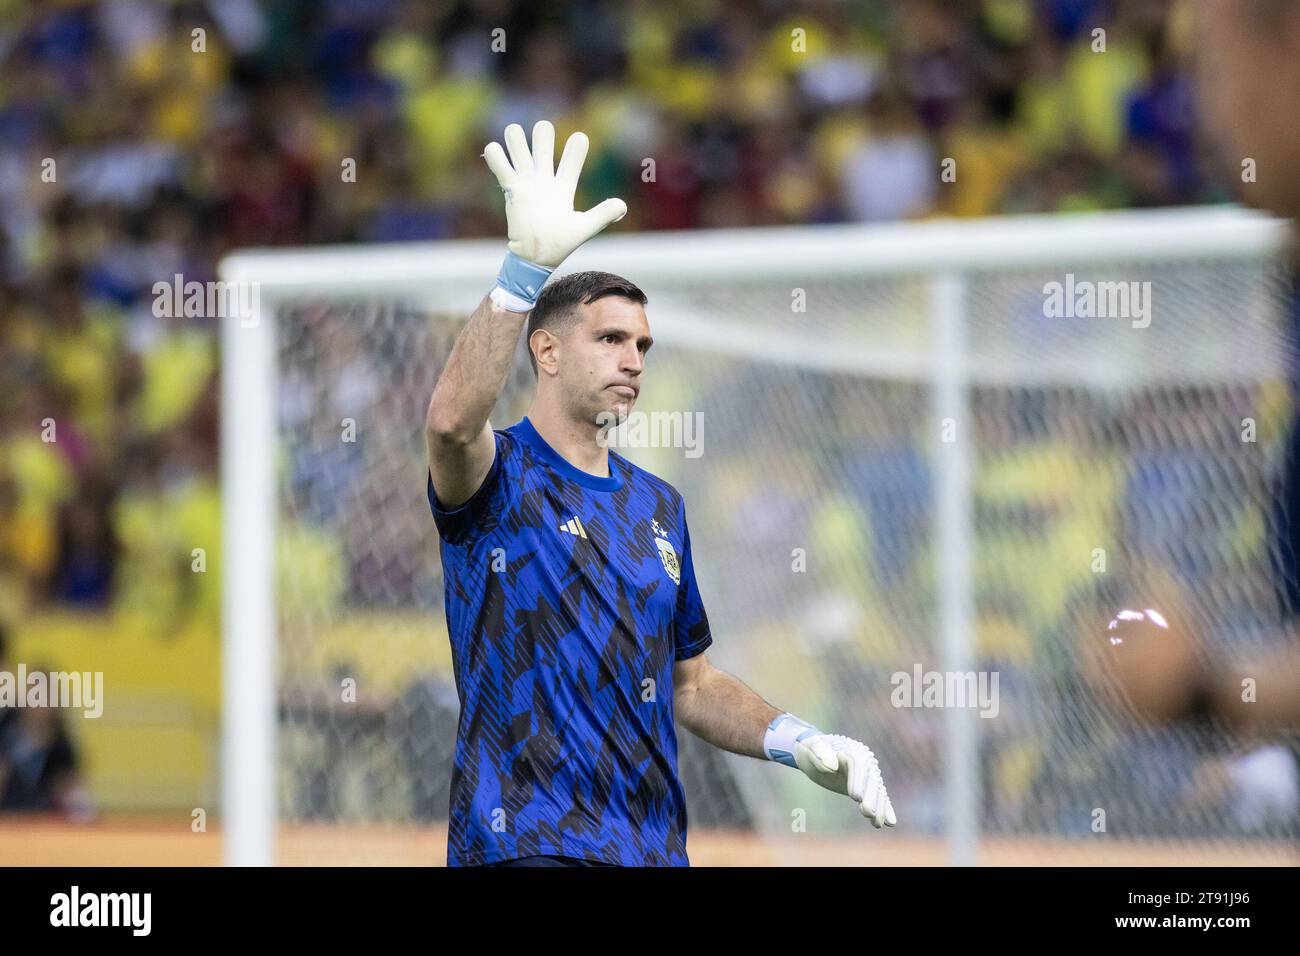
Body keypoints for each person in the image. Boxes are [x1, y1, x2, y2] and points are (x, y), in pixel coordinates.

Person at [424, 120, 895, 866]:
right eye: (609, 339)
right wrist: (521, 271)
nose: (633, 359)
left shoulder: (659, 507)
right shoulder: (499, 474)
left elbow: (693, 684)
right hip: (524, 847)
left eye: (642, 345)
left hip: (650, 850)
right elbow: (450, 425)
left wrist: (797, 741)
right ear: (544, 350)